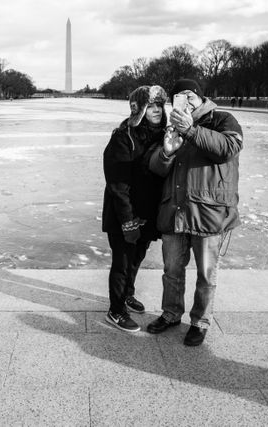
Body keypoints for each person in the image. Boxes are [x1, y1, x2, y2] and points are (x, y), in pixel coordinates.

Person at [146, 79, 243, 346]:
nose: (185, 101)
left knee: (206, 275)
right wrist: (166, 153)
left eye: (189, 95)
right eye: (178, 97)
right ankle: (171, 313)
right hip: (175, 211)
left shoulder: (222, 119)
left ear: (200, 98)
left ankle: (199, 322)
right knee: (172, 271)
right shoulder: (170, 125)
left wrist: (190, 130)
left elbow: (228, 148)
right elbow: (156, 168)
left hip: (208, 213)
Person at [102, 85, 168, 332]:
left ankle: (127, 294)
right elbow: (117, 184)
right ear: (139, 109)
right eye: (151, 106)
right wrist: (127, 220)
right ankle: (115, 310)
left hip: (146, 212)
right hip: (123, 214)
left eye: (160, 105)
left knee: (137, 258)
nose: (157, 110)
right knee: (122, 261)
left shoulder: (162, 136)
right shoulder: (123, 136)